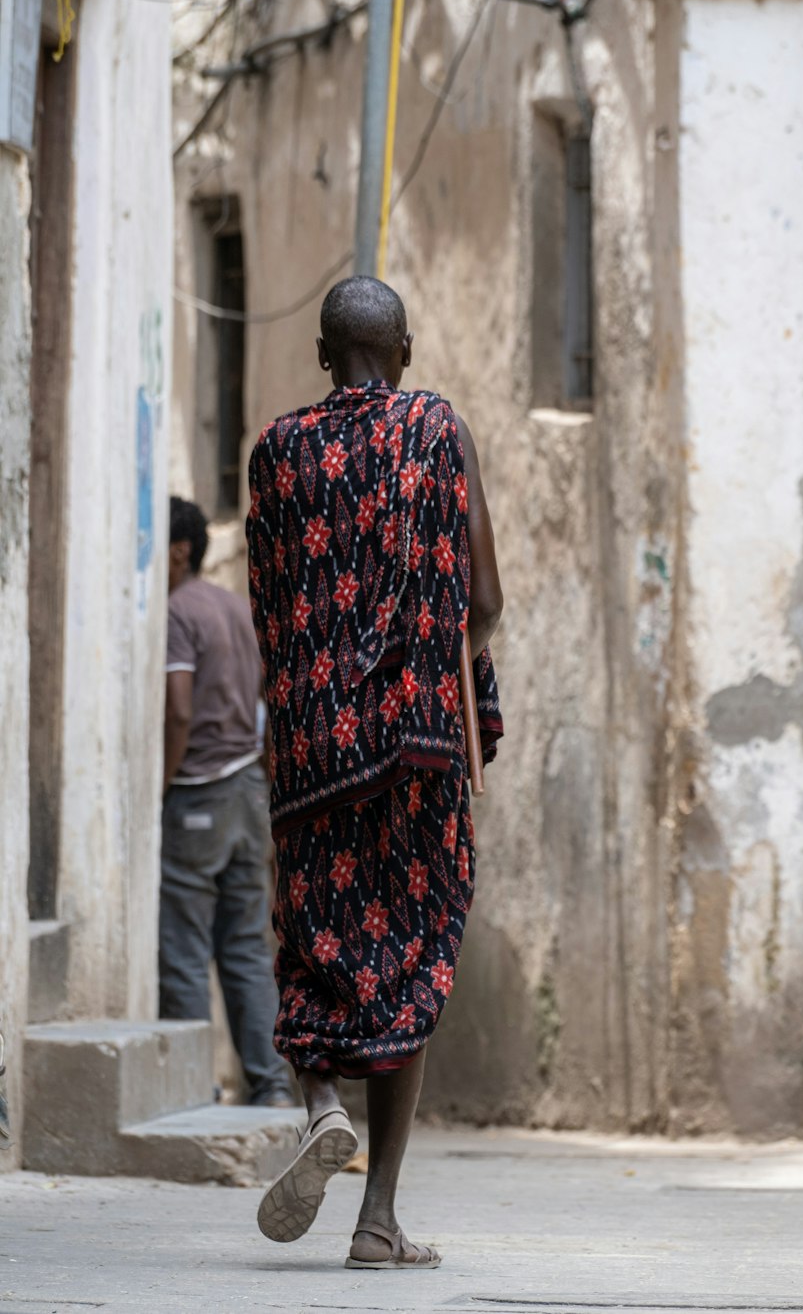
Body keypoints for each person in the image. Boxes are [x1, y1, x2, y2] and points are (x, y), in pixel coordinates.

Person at [246, 276, 503, 1265]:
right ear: (402, 349)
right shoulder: (436, 429)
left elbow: (272, 600)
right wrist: (458, 660)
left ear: (322, 356)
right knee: (409, 950)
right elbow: (480, 591)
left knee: (313, 935)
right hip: (415, 749)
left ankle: (318, 1106)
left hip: (310, 749)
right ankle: (377, 1218)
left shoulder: (275, 450)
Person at [161, 496, 292, 1108]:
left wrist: (162, 781)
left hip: (200, 792)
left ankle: (192, 1090)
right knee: (242, 945)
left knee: (184, 944)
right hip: (249, 792)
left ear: (179, 552)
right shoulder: (237, 609)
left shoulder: (177, 613)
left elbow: (180, 707)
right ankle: (270, 1088)